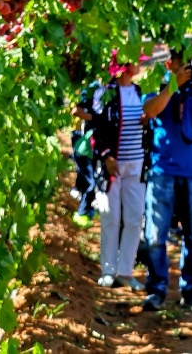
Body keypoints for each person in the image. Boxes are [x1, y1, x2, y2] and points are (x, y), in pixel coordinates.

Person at [140, 48, 192, 312]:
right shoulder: (158, 89)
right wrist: (172, 86)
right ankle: (156, 291)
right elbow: (150, 111)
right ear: (169, 65)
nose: (187, 69)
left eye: (190, 64)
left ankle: (191, 291)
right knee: (155, 236)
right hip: (162, 171)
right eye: (181, 65)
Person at [77, 54, 149, 290]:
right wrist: (107, 156)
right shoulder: (104, 93)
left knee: (134, 217)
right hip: (109, 168)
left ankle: (125, 272)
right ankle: (108, 270)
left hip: (135, 165)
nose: (140, 65)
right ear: (125, 67)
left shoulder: (140, 93)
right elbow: (96, 126)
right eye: (136, 61)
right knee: (110, 217)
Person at [69, 78, 101, 224]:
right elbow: (75, 110)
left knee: (91, 181)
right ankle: (81, 213)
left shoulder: (106, 89)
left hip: (91, 147)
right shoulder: (91, 88)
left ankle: (88, 211)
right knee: (91, 183)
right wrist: (95, 118)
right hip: (85, 147)